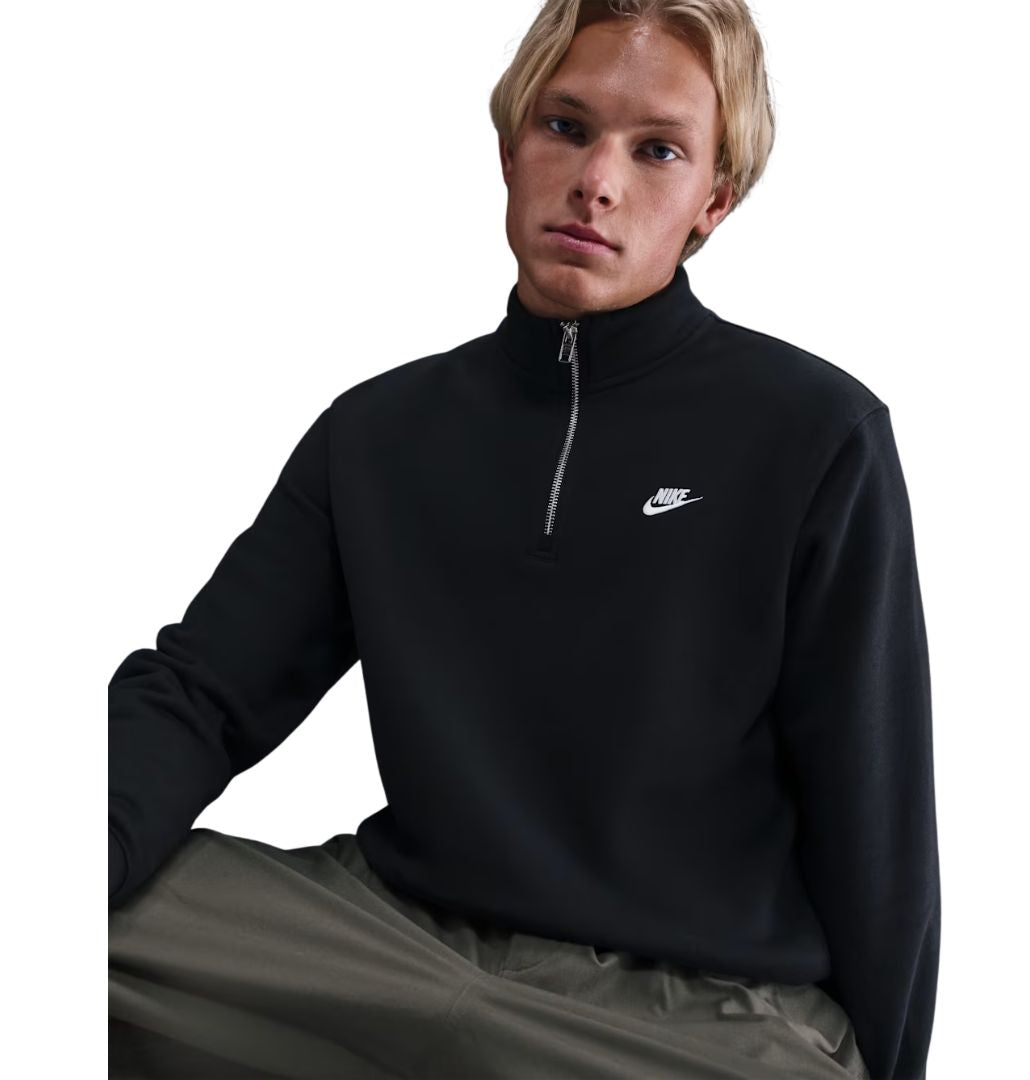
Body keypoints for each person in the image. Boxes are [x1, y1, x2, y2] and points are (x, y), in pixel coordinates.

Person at [109, 1, 941, 1077]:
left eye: (657, 150)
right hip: (392, 946)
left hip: (676, 1014)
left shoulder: (815, 433)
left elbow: (875, 816)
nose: (598, 180)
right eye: (566, 127)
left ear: (714, 201)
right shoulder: (379, 434)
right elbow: (200, 694)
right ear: (510, 147)